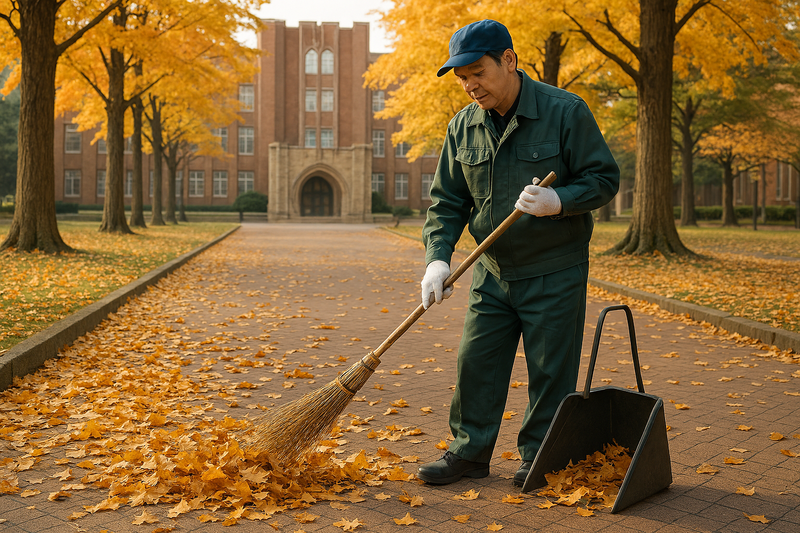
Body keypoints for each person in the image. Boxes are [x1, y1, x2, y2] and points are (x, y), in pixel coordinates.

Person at [417, 19, 620, 486]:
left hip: (554, 269)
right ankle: (470, 452)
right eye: (462, 77)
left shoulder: (565, 111)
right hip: (492, 270)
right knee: (477, 363)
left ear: (508, 60)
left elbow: (604, 178)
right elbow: (447, 202)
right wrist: (437, 259)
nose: (470, 85)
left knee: (551, 369)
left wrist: (559, 202)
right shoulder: (462, 127)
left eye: (478, 72)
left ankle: (540, 454)